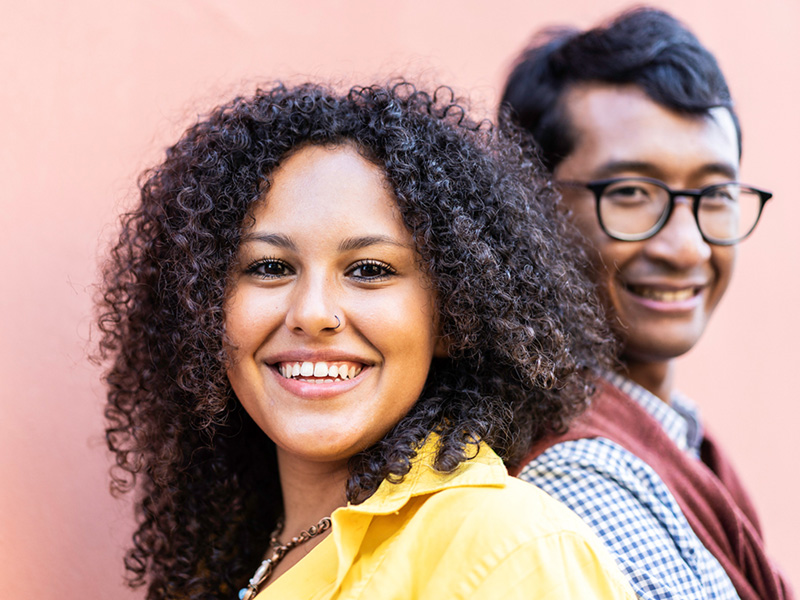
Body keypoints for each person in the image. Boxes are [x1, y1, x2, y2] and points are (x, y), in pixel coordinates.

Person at [97, 81, 637, 599]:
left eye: (370, 269)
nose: (312, 313)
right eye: (268, 266)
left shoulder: (513, 552)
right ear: (202, 307)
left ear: (454, 316)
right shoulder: (238, 551)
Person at [500, 7, 792, 600]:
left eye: (715, 194)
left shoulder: (677, 436)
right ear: (526, 204)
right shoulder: (581, 480)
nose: (687, 246)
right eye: (632, 192)